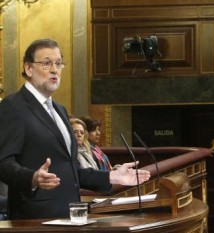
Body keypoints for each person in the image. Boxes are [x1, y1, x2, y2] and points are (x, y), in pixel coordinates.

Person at [0, 38, 150, 220]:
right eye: (46, 63)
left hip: (69, 216)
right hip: (35, 219)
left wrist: (111, 177)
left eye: (59, 63)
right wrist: (32, 178)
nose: (55, 69)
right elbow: (3, 163)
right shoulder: (13, 106)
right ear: (28, 68)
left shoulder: (59, 109)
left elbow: (69, 168)